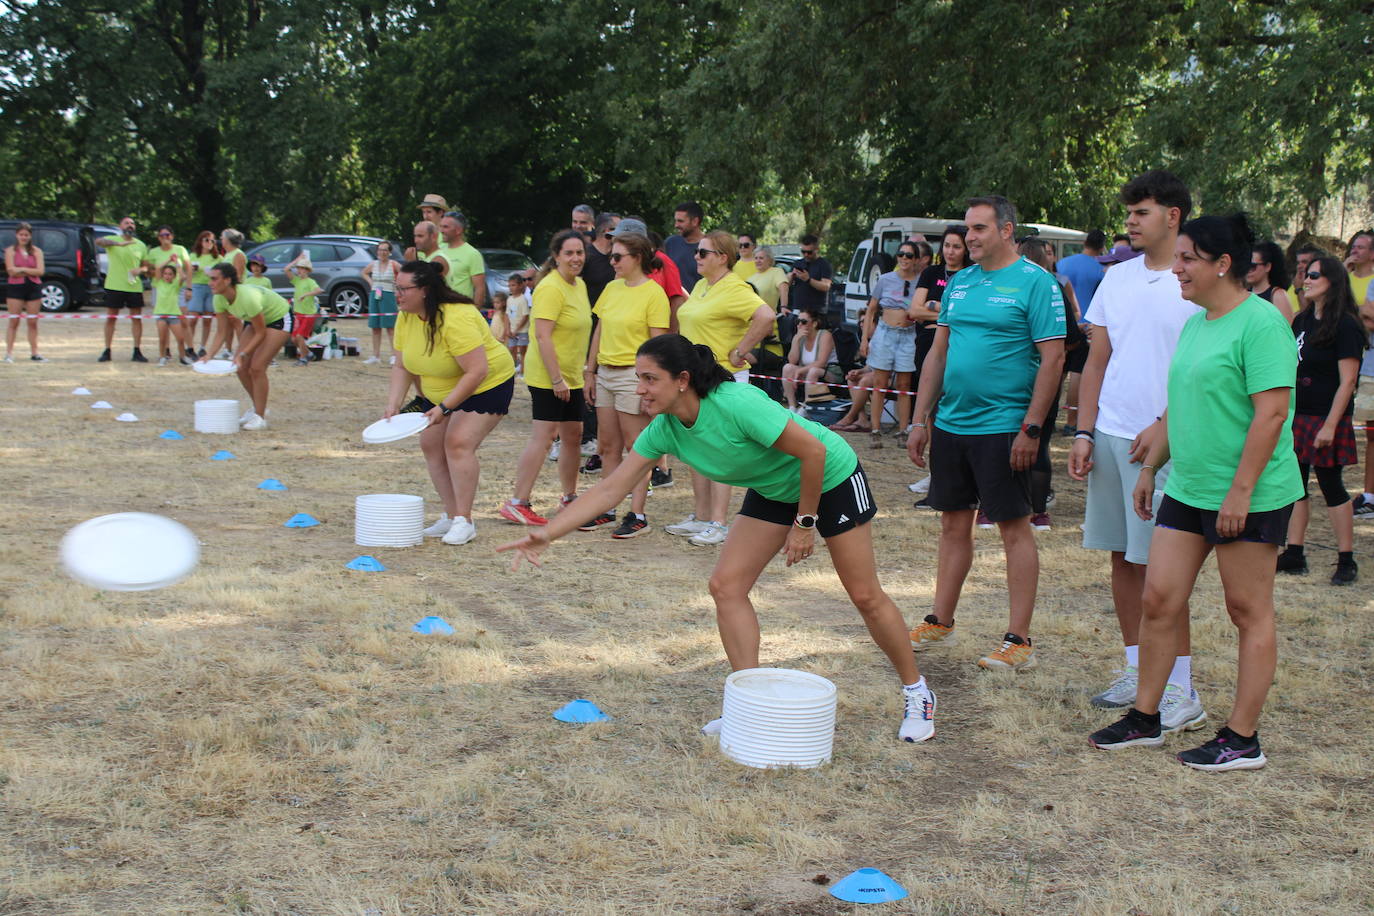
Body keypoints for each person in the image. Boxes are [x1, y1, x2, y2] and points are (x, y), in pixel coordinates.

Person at [499, 334, 939, 744]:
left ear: (683, 380)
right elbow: (610, 488)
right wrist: (547, 534)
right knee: (726, 586)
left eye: (650, 379)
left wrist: (804, 525)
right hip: (774, 489)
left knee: (863, 594)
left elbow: (814, 452)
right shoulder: (664, 428)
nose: (642, 391)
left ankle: (916, 691)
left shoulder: (736, 403)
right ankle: (749, 705)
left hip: (830, 478)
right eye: (640, 381)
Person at [1088, 213, 1302, 772]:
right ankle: (1145, 717)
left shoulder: (1261, 324)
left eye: (1187, 259)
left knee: (1246, 609)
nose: (1176, 268)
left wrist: (1240, 492)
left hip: (1248, 494)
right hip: (1187, 487)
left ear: (1222, 264)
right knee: (1159, 600)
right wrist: (1149, 468)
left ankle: (1241, 739)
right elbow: (1176, 408)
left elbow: (1272, 413)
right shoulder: (1197, 322)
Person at [905, 196, 1066, 670]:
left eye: (979, 228)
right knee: (954, 524)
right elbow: (938, 354)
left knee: (1014, 528)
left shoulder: (1037, 284)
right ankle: (940, 621)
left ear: (1007, 230)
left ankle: (1019, 641)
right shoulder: (959, 282)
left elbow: (1053, 359)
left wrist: (1032, 429)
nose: (970, 237)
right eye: (967, 229)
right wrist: (920, 419)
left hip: (1006, 427)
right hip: (952, 424)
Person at [1067, 169, 1205, 722]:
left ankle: (1179, 687)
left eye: (1140, 212)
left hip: (1168, 441)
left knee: (1165, 569)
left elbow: (1200, 370)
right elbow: (1097, 361)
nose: (1129, 222)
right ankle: (1135, 668)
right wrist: (1083, 430)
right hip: (1111, 435)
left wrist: (1165, 427)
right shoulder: (1117, 279)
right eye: (1128, 213)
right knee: (1124, 558)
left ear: (1173, 216)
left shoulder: (1193, 282)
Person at [385, 259, 516, 546]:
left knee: (457, 442)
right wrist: (394, 403)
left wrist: (445, 408)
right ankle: (450, 513)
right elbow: (402, 365)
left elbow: (477, 370)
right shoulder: (407, 315)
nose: (398, 294)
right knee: (430, 443)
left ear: (425, 290)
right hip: (441, 389)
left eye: (403, 289)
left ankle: (464, 521)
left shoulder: (456, 317)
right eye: (396, 288)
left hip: (487, 384)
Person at [670, 230, 777, 547]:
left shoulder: (734, 287)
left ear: (722, 257)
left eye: (703, 253)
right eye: (697, 252)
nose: (696, 257)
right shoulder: (703, 285)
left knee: (717, 451)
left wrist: (742, 349)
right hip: (694, 378)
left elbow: (766, 316)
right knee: (695, 450)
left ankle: (719, 522)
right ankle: (701, 517)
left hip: (721, 380)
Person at [1276, 254, 1363, 584]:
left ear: (1333, 282)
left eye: (1313, 275)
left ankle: (1346, 560)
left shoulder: (1347, 325)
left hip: (1329, 417)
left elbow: (1348, 381)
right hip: (1299, 415)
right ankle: (1295, 553)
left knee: (1331, 485)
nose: (1306, 280)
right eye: (1304, 274)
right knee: (1296, 485)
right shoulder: (1302, 320)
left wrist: (1330, 425)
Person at [580, 231, 671, 538]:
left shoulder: (653, 293)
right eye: (611, 256)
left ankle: (638, 514)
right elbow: (599, 330)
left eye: (618, 257)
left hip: (634, 376)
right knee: (608, 447)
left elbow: (659, 346)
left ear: (638, 258)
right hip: (605, 372)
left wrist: (651, 385)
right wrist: (589, 371)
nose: (612, 261)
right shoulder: (611, 287)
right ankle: (608, 508)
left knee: (637, 447)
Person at [500, 230, 593, 526]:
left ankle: (569, 497)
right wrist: (556, 379)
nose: (576, 258)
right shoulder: (550, 287)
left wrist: (574, 374)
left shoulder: (579, 285)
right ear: (556, 256)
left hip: (572, 375)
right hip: (549, 377)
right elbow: (542, 335)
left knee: (573, 435)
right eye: (569, 253)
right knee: (544, 437)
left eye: (580, 252)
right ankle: (518, 501)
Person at [199, 263, 293, 430]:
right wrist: (209, 355)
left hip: (280, 318)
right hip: (256, 321)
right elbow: (221, 332)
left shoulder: (247, 297)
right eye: (210, 279)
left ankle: (260, 417)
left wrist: (243, 353)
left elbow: (261, 333)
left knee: (257, 367)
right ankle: (257, 408)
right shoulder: (218, 297)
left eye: (214, 279)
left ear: (227, 280)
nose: (210, 283)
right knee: (240, 368)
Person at [860, 240, 922, 447]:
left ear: (916, 259)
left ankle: (903, 430)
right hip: (885, 332)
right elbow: (871, 309)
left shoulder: (920, 281)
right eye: (901, 254)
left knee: (904, 384)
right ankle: (875, 430)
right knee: (880, 383)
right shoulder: (885, 279)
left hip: (908, 334)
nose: (904, 258)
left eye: (909, 255)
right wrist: (865, 339)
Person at [1343, 231, 1374, 518]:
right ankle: (1370, 494)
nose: (1355, 251)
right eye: (1354, 246)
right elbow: (1366, 316)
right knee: (1372, 432)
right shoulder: (1346, 276)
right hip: (1363, 359)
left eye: (1362, 247)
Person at [95, 216, 150, 362]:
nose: (130, 225)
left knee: (136, 319)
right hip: (115, 285)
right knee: (111, 318)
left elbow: (146, 266)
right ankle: (107, 350)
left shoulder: (141, 245)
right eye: (127, 223)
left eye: (132, 223)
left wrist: (140, 270)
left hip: (134, 286)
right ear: (120, 226)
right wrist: (118, 244)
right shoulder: (112, 239)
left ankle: (137, 351)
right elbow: (98, 242)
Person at [4, 222, 46, 362]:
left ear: (30, 236)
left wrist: (21, 269)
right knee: (14, 321)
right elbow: (11, 271)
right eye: (21, 234)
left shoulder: (36, 251)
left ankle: (35, 353)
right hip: (16, 288)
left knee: (32, 322)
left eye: (26, 235)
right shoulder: (10, 251)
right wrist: (27, 271)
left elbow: (40, 271)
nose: (24, 237)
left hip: (33, 287)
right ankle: (9, 353)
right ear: (16, 235)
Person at [781, 308, 836, 414]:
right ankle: (792, 406)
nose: (799, 325)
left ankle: (807, 406)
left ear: (814, 324)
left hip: (829, 372)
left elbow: (822, 362)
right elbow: (792, 361)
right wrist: (796, 340)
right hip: (807, 372)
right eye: (797, 321)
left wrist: (800, 371)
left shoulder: (824, 335)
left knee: (813, 370)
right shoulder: (800, 337)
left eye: (803, 322)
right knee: (787, 368)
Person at [433, 211, 487, 308]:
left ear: (458, 230)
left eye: (445, 227)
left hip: (461, 312)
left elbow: (480, 288)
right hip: (439, 311)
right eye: (440, 226)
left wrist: (474, 313)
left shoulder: (472, 254)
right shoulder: (438, 252)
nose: (441, 230)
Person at [361, 240, 398, 365]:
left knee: (390, 327)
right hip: (376, 293)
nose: (382, 252)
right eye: (380, 250)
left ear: (389, 252)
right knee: (375, 326)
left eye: (385, 250)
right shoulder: (373, 264)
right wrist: (371, 283)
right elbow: (364, 273)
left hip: (388, 294)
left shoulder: (394, 264)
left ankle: (394, 355)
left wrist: (398, 288)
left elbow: (404, 274)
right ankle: (375, 355)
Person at [150, 262, 195, 366]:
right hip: (161, 314)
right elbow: (157, 268)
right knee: (162, 338)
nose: (167, 276)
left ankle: (182, 357)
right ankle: (162, 357)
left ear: (174, 276)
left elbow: (183, 277)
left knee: (180, 338)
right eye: (165, 273)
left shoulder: (175, 284)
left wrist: (177, 264)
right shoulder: (159, 282)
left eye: (170, 274)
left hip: (174, 315)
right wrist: (168, 260)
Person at [185, 230, 220, 356]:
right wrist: (192, 272)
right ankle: (189, 347)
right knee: (192, 318)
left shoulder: (218, 257)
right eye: (206, 240)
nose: (209, 243)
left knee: (207, 319)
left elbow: (221, 273)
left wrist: (212, 273)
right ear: (200, 241)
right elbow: (186, 272)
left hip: (211, 288)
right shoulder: (193, 256)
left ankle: (203, 347)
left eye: (212, 240)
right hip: (197, 286)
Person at [285, 255, 324, 367]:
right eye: (298, 268)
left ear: (307, 270)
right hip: (298, 313)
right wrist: (297, 259)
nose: (299, 271)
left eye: (302, 268)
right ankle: (308, 353)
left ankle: (303, 358)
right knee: (293, 338)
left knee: (299, 336)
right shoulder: (297, 281)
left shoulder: (310, 281)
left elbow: (319, 290)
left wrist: (306, 294)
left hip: (308, 314)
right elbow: (286, 270)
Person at [1057, 229, 1107, 311]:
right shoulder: (1102, 270)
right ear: (1101, 248)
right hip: (1089, 321)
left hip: (1065, 319)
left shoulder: (1061, 263)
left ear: (1085, 243)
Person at [788, 234, 833, 319]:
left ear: (817, 250)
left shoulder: (824, 265)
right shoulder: (798, 263)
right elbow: (787, 284)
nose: (806, 255)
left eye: (809, 252)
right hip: (798, 309)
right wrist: (791, 276)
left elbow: (826, 286)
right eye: (803, 252)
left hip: (816, 311)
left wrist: (808, 280)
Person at [1247, 241, 1294, 321]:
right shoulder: (1245, 293)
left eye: (1253, 266)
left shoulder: (1278, 296)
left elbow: (1285, 330)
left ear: (1267, 267)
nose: (1248, 270)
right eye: (1246, 264)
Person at [581, 211, 620, 307]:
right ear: (608, 231)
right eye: (618, 229)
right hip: (589, 317)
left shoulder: (619, 255)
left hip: (613, 316)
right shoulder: (585, 255)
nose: (622, 233)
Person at [663, 201, 704, 290]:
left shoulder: (710, 247)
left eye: (680, 221)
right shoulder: (670, 243)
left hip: (697, 302)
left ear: (695, 221)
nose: (676, 225)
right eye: (676, 221)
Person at [747, 246, 790, 315]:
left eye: (761, 258)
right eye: (756, 258)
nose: (758, 261)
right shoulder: (750, 278)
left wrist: (783, 306)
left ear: (769, 259)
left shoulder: (776, 272)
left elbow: (784, 288)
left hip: (768, 317)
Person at [1286, 245, 1324, 313]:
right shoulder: (1296, 282)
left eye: (1304, 262)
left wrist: (1298, 289)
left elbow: (1307, 313)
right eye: (1298, 263)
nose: (1299, 266)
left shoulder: (1319, 286)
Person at [506, 271, 530, 371]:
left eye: (513, 285)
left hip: (522, 331)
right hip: (512, 331)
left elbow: (525, 316)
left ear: (520, 285)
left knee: (523, 351)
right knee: (511, 349)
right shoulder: (509, 299)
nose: (511, 287)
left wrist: (517, 329)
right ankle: (513, 368)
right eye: (509, 285)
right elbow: (507, 314)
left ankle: (523, 371)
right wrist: (508, 329)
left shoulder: (523, 299)